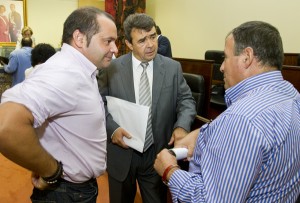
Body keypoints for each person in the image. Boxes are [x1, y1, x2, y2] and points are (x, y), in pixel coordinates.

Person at [154, 21, 300, 203]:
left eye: (226, 57)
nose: (221, 67)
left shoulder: (240, 120)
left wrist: (170, 171)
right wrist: (205, 132)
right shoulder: (291, 95)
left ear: (247, 57)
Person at [0, 6, 118, 202]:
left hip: (73, 189)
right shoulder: (66, 73)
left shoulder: (79, 69)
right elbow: (6, 127)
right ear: (80, 38)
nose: (115, 49)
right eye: (108, 41)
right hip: (66, 192)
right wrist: (50, 170)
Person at [98, 13, 196, 203]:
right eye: (142, 40)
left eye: (153, 36)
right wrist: (113, 129)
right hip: (122, 150)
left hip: (157, 152)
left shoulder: (172, 68)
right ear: (128, 44)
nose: (150, 44)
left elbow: (186, 100)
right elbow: (99, 104)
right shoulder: (111, 69)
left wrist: (182, 126)